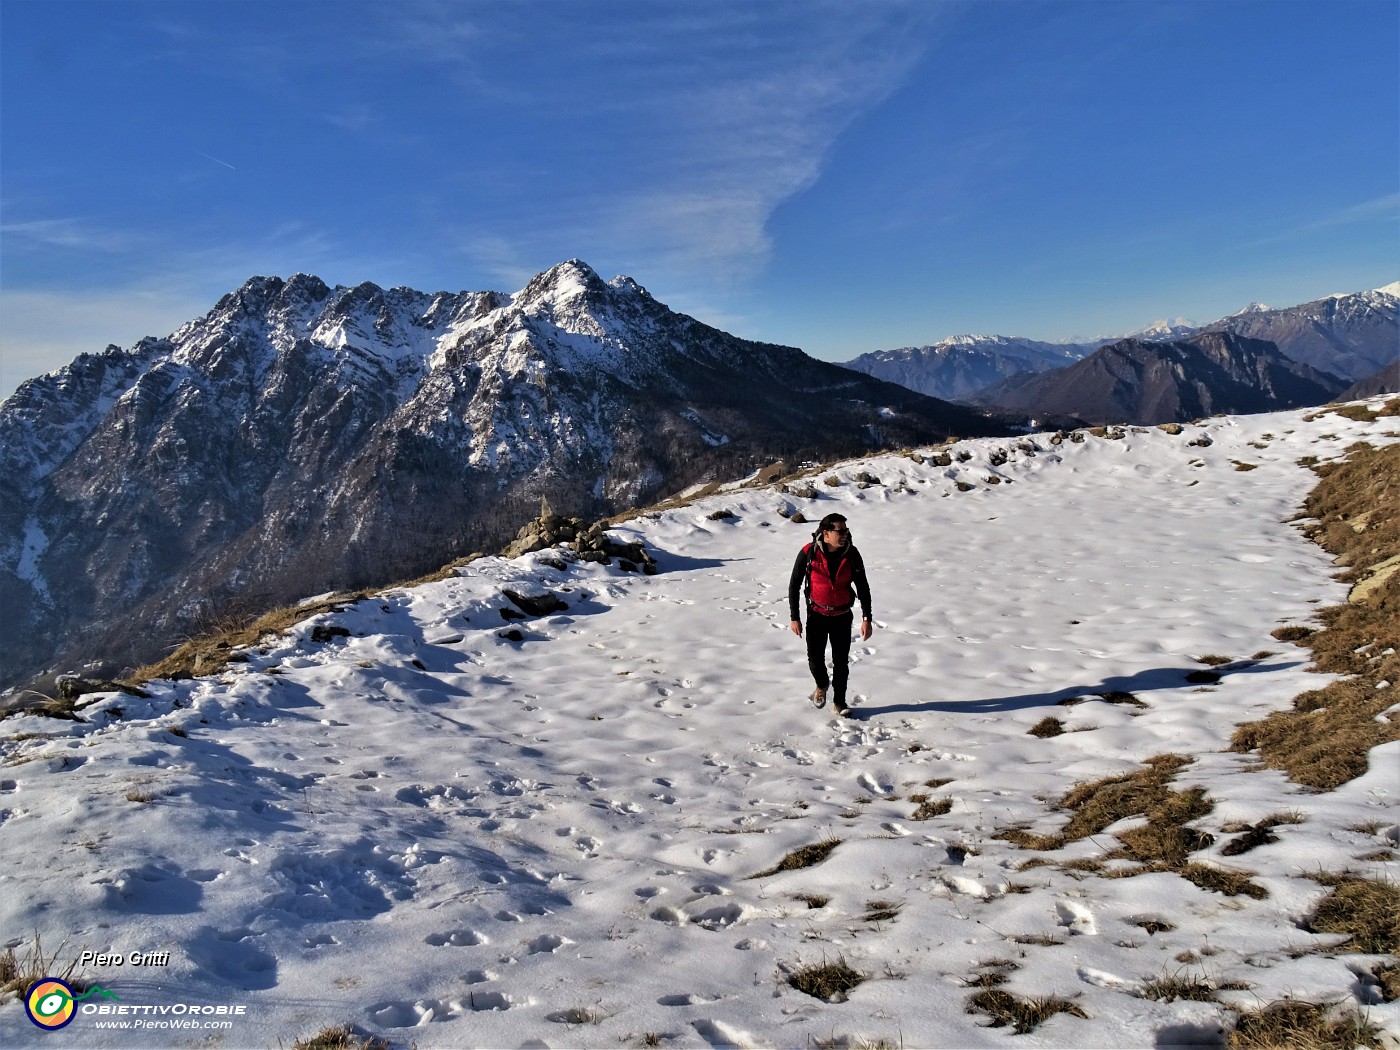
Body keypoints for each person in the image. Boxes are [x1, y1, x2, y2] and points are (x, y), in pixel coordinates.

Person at [788, 512, 873, 717]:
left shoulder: (852, 554)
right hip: (816, 615)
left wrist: (866, 618)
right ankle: (822, 684)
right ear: (826, 533)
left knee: (841, 661)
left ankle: (840, 702)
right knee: (815, 659)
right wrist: (794, 617)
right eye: (840, 531)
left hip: (842, 616)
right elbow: (794, 585)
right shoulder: (809, 552)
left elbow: (863, 587)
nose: (844, 534)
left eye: (846, 530)